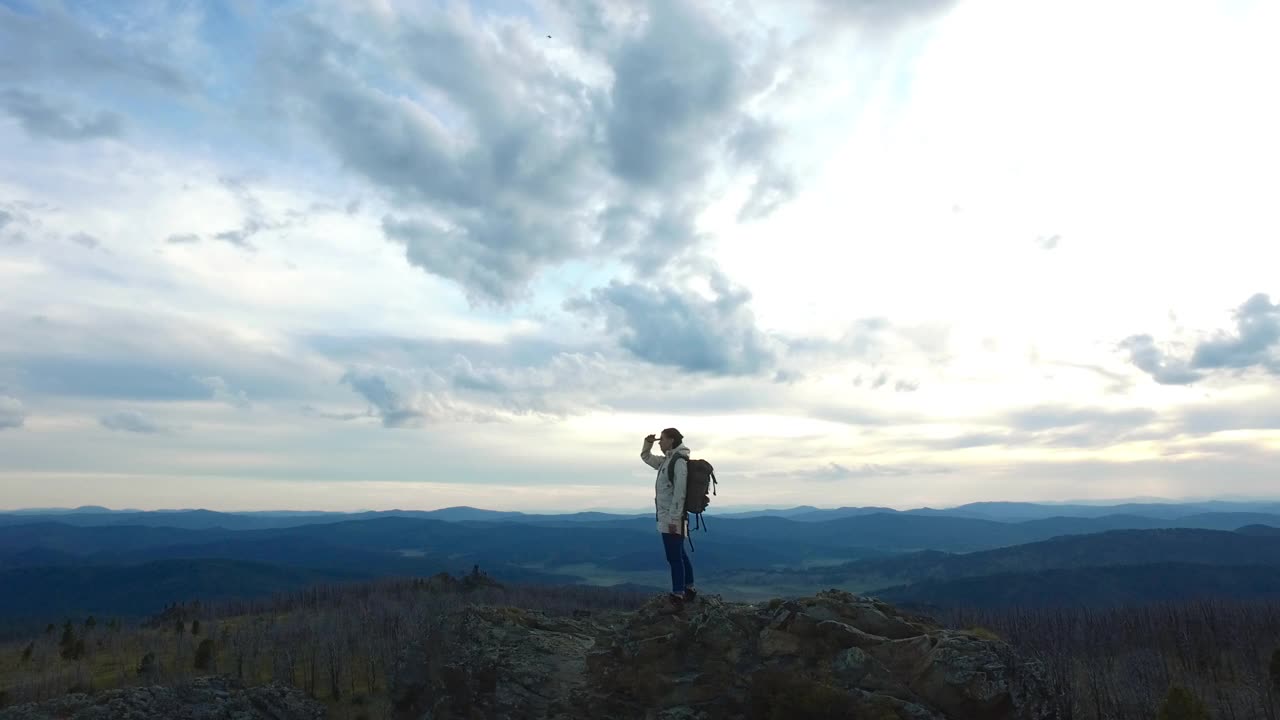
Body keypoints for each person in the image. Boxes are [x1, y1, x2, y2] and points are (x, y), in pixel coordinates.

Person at [641, 427, 697, 607]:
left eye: (662, 440)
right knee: (680, 554)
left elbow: (680, 492)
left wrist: (674, 519)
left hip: (673, 517)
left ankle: (678, 595)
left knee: (674, 557)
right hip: (670, 516)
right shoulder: (668, 460)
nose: (660, 443)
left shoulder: (678, 462)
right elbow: (646, 458)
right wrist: (647, 444)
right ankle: (688, 588)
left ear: (672, 440)